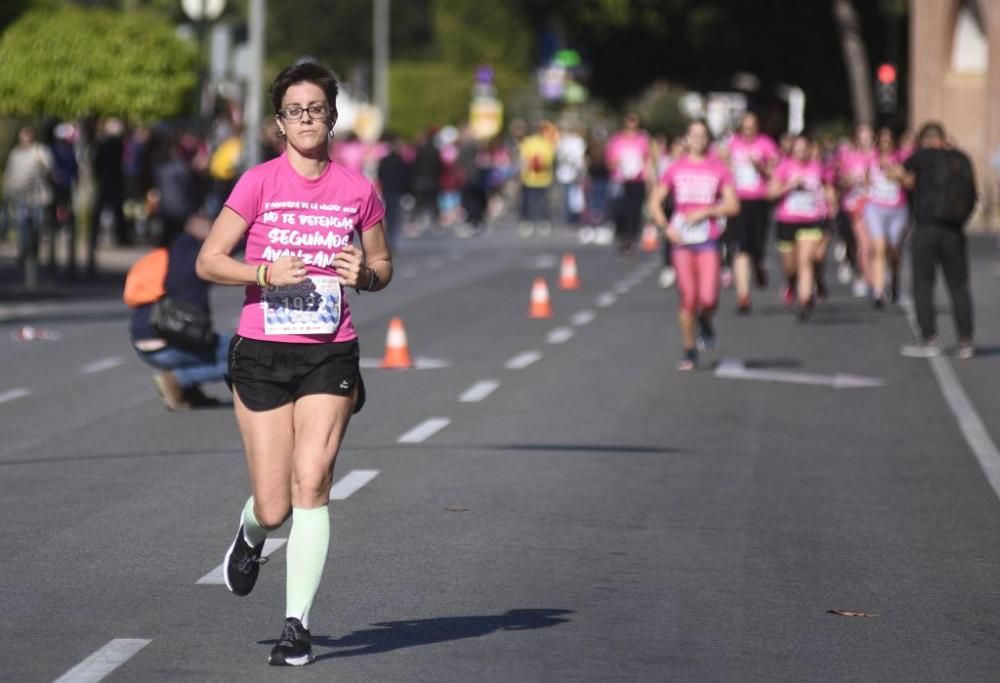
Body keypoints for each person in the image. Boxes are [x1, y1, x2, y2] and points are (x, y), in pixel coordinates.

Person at [196, 59, 392, 666]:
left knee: (313, 484)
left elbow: (382, 268)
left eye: (316, 109)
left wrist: (366, 274)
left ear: (333, 117)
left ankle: (296, 626)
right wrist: (262, 272)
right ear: (280, 123)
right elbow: (209, 260)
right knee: (275, 503)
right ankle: (253, 533)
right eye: (294, 110)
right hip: (260, 352)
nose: (306, 119)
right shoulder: (256, 183)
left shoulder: (360, 191)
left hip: (329, 351)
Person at [648, 120, 739, 371]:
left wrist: (706, 211)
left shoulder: (718, 169)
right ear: (686, 139)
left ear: (708, 138)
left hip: (708, 237)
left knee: (709, 297)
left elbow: (733, 205)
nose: (697, 139)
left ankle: (706, 321)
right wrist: (666, 228)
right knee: (688, 297)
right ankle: (689, 350)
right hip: (682, 241)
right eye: (693, 135)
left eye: (702, 135)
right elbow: (655, 202)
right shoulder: (675, 168)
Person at [891, 122, 976, 359]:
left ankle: (929, 337)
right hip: (954, 229)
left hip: (927, 228)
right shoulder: (962, 158)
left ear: (926, 140)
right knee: (959, 286)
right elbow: (972, 194)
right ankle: (965, 340)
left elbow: (897, 172)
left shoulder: (923, 156)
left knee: (924, 284)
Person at [130, 212, 229, 411]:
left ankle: (189, 392)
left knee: (210, 342)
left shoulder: (167, 253)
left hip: (142, 340)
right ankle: (179, 380)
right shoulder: (199, 257)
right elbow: (233, 245)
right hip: (168, 342)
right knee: (246, 353)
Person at [768, 133, 837, 321]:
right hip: (787, 220)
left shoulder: (817, 168)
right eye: (797, 150)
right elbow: (771, 193)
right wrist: (790, 185)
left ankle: (804, 301)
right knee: (790, 267)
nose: (801, 154)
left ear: (809, 150)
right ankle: (790, 282)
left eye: (804, 150)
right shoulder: (784, 167)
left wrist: (831, 200)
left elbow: (828, 187)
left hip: (811, 219)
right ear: (792, 152)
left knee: (805, 261)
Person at [725, 112, 779, 312]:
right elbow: (724, 169)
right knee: (740, 248)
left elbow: (775, 173)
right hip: (737, 202)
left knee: (756, 246)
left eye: (752, 128)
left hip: (759, 201)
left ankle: (759, 265)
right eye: (745, 128)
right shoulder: (733, 145)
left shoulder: (766, 144)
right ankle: (743, 296)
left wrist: (761, 167)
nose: (748, 132)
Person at [863, 128, 910, 307]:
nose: (885, 145)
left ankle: (895, 278)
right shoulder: (871, 159)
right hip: (875, 208)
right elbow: (866, 181)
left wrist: (896, 174)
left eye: (888, 142)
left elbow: (909, 182)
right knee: (879, 248)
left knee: (894, 250)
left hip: (897, 209)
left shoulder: (901, 158)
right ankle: (878, 291)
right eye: (882, 142)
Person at [3, 125, 53, 287]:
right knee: (22, 227)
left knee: (37, 227)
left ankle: (33, 253)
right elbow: (11, 174)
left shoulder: (39, 151)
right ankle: (25, 252)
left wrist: (41, 164)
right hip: (21, 198)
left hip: (37, 198)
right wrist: (8, 193)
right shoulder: (15, 154)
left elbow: (49, 169)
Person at [606, 113, 651, 255]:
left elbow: (648, 159)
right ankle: (621, 234)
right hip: (620, 180)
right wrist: (617, 165)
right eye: (629, 121)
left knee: (634, 211)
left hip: (637, 180)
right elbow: (610, 160)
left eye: (634, 121)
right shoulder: (617, 140)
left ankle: (631, 238)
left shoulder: (642, 140)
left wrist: (648, 178)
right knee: (619, 209)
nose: (631, 124)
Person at [518, 121, 556, 235]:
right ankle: (542, 223)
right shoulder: (546, 143)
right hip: (540, 178)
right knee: (541, 202)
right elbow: (550, 161)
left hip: (532, 177)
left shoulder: (527, 142)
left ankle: (528, 223)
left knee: (530, 202)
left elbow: (523, 160)